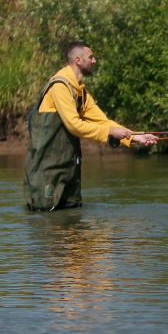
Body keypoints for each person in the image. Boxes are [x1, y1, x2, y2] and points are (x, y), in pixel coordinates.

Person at [23, 42, 159, 211]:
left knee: (72, 213)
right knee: (47, 216)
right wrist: (110, 132)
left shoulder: (80, 90)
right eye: (91, 57)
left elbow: (101, 121)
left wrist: (135, 136)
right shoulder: (60, 86)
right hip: (46, 168)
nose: (94, 61)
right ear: (78, 60)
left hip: (68, 166)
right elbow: (74, 125)